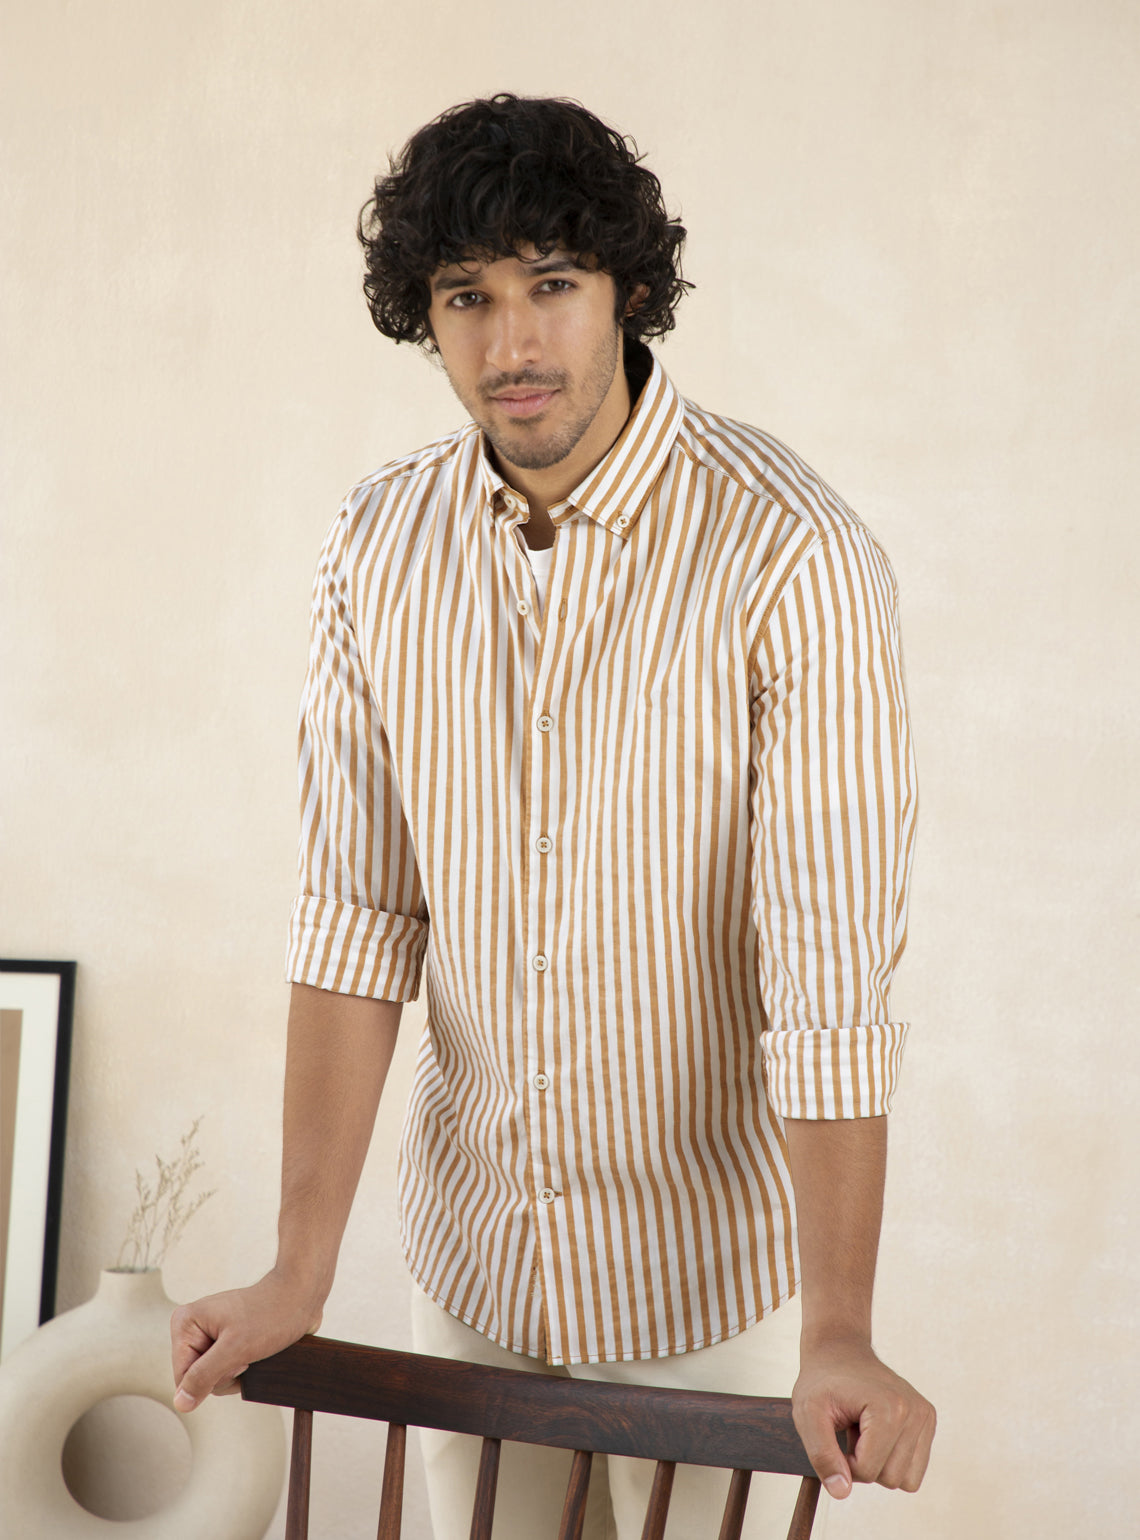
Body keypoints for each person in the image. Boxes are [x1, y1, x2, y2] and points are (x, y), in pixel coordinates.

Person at [171, 93, 935, 1537]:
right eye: (468, 296)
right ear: (424, 314)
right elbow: (355, 919)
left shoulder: (793, 557)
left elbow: (827, 983)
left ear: (628, 291)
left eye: (553, 285)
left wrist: (839, 1326)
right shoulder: (376, 544)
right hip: (474, 1266)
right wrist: (297, 1271)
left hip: (704, 1289)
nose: (511, 345)